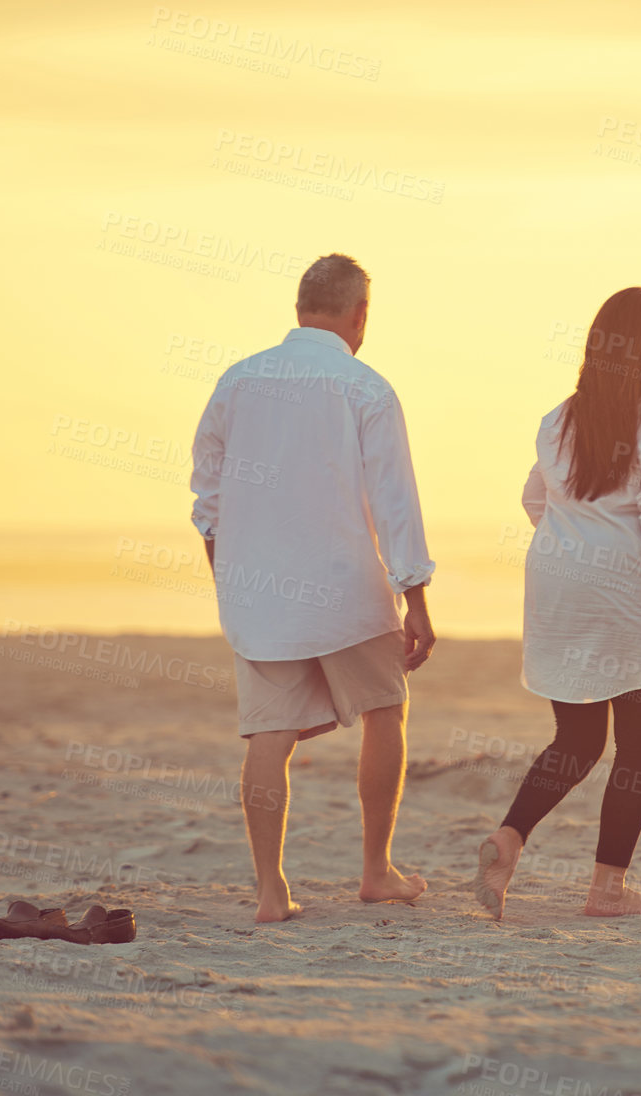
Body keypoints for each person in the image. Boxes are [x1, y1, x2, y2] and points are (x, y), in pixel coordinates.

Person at [190, 253, 436, 923]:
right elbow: (395, 501)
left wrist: (230, 576)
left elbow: (206, 498)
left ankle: (270, 889)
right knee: (385, 709)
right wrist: (414, 596)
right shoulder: (364, 387)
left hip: (255, 591)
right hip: (345, 590)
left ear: (299, 309)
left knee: (268, 733)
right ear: (360, 315)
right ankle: (376, 869)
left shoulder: (237, 381)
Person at [474, 287, 641, 920]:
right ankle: (607, 889)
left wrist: (575, 546)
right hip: (628, 594)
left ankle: (509, 838)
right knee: (637, 752)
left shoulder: (560, 417)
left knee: (575, 737)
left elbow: (533, 498)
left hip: (557, 587)